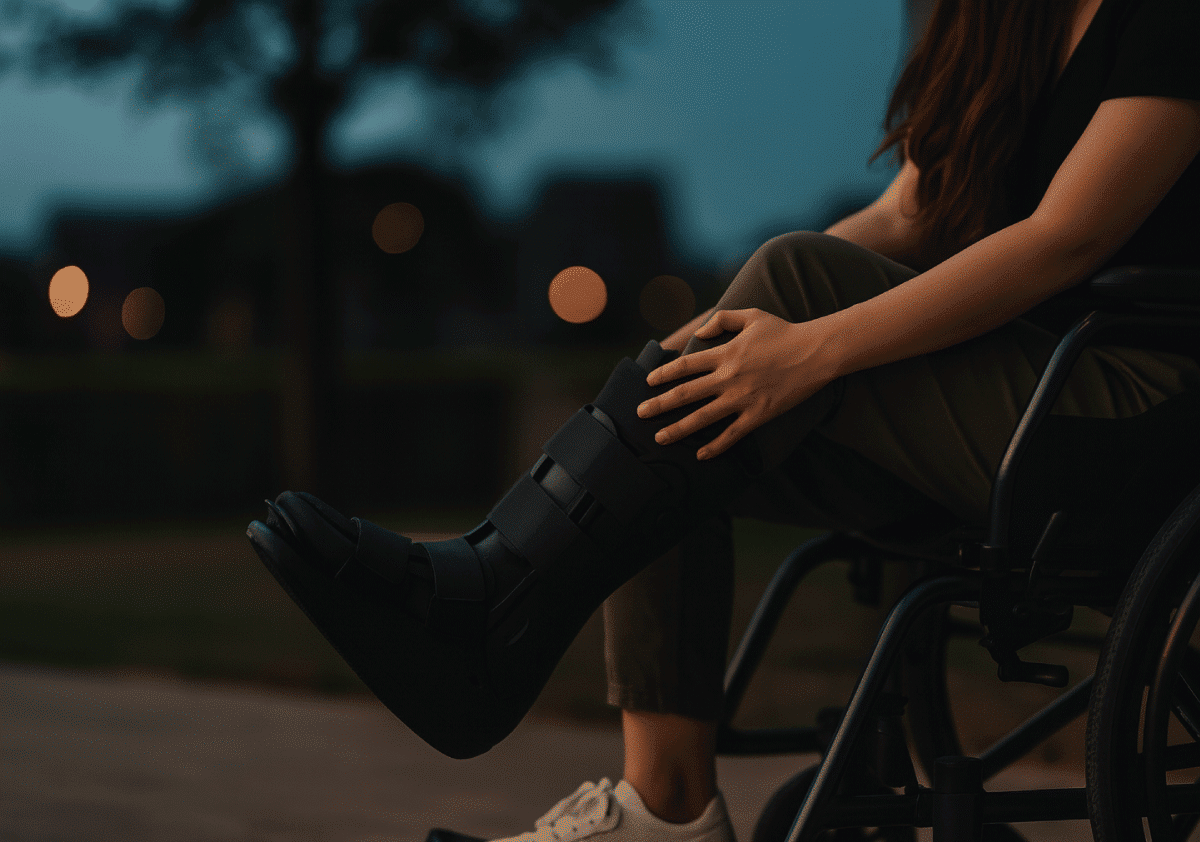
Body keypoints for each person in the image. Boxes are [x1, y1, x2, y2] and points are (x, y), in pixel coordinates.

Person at [247, 0, 1200, 839]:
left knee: (779, 300)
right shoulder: (999, 14)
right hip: (1019, 397)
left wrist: (812, 342)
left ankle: (489, 594)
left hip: (1137, 402)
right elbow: (908, 217)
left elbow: (1066, 237)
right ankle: (664, 807)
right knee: (697, 398)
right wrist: (730, 337)